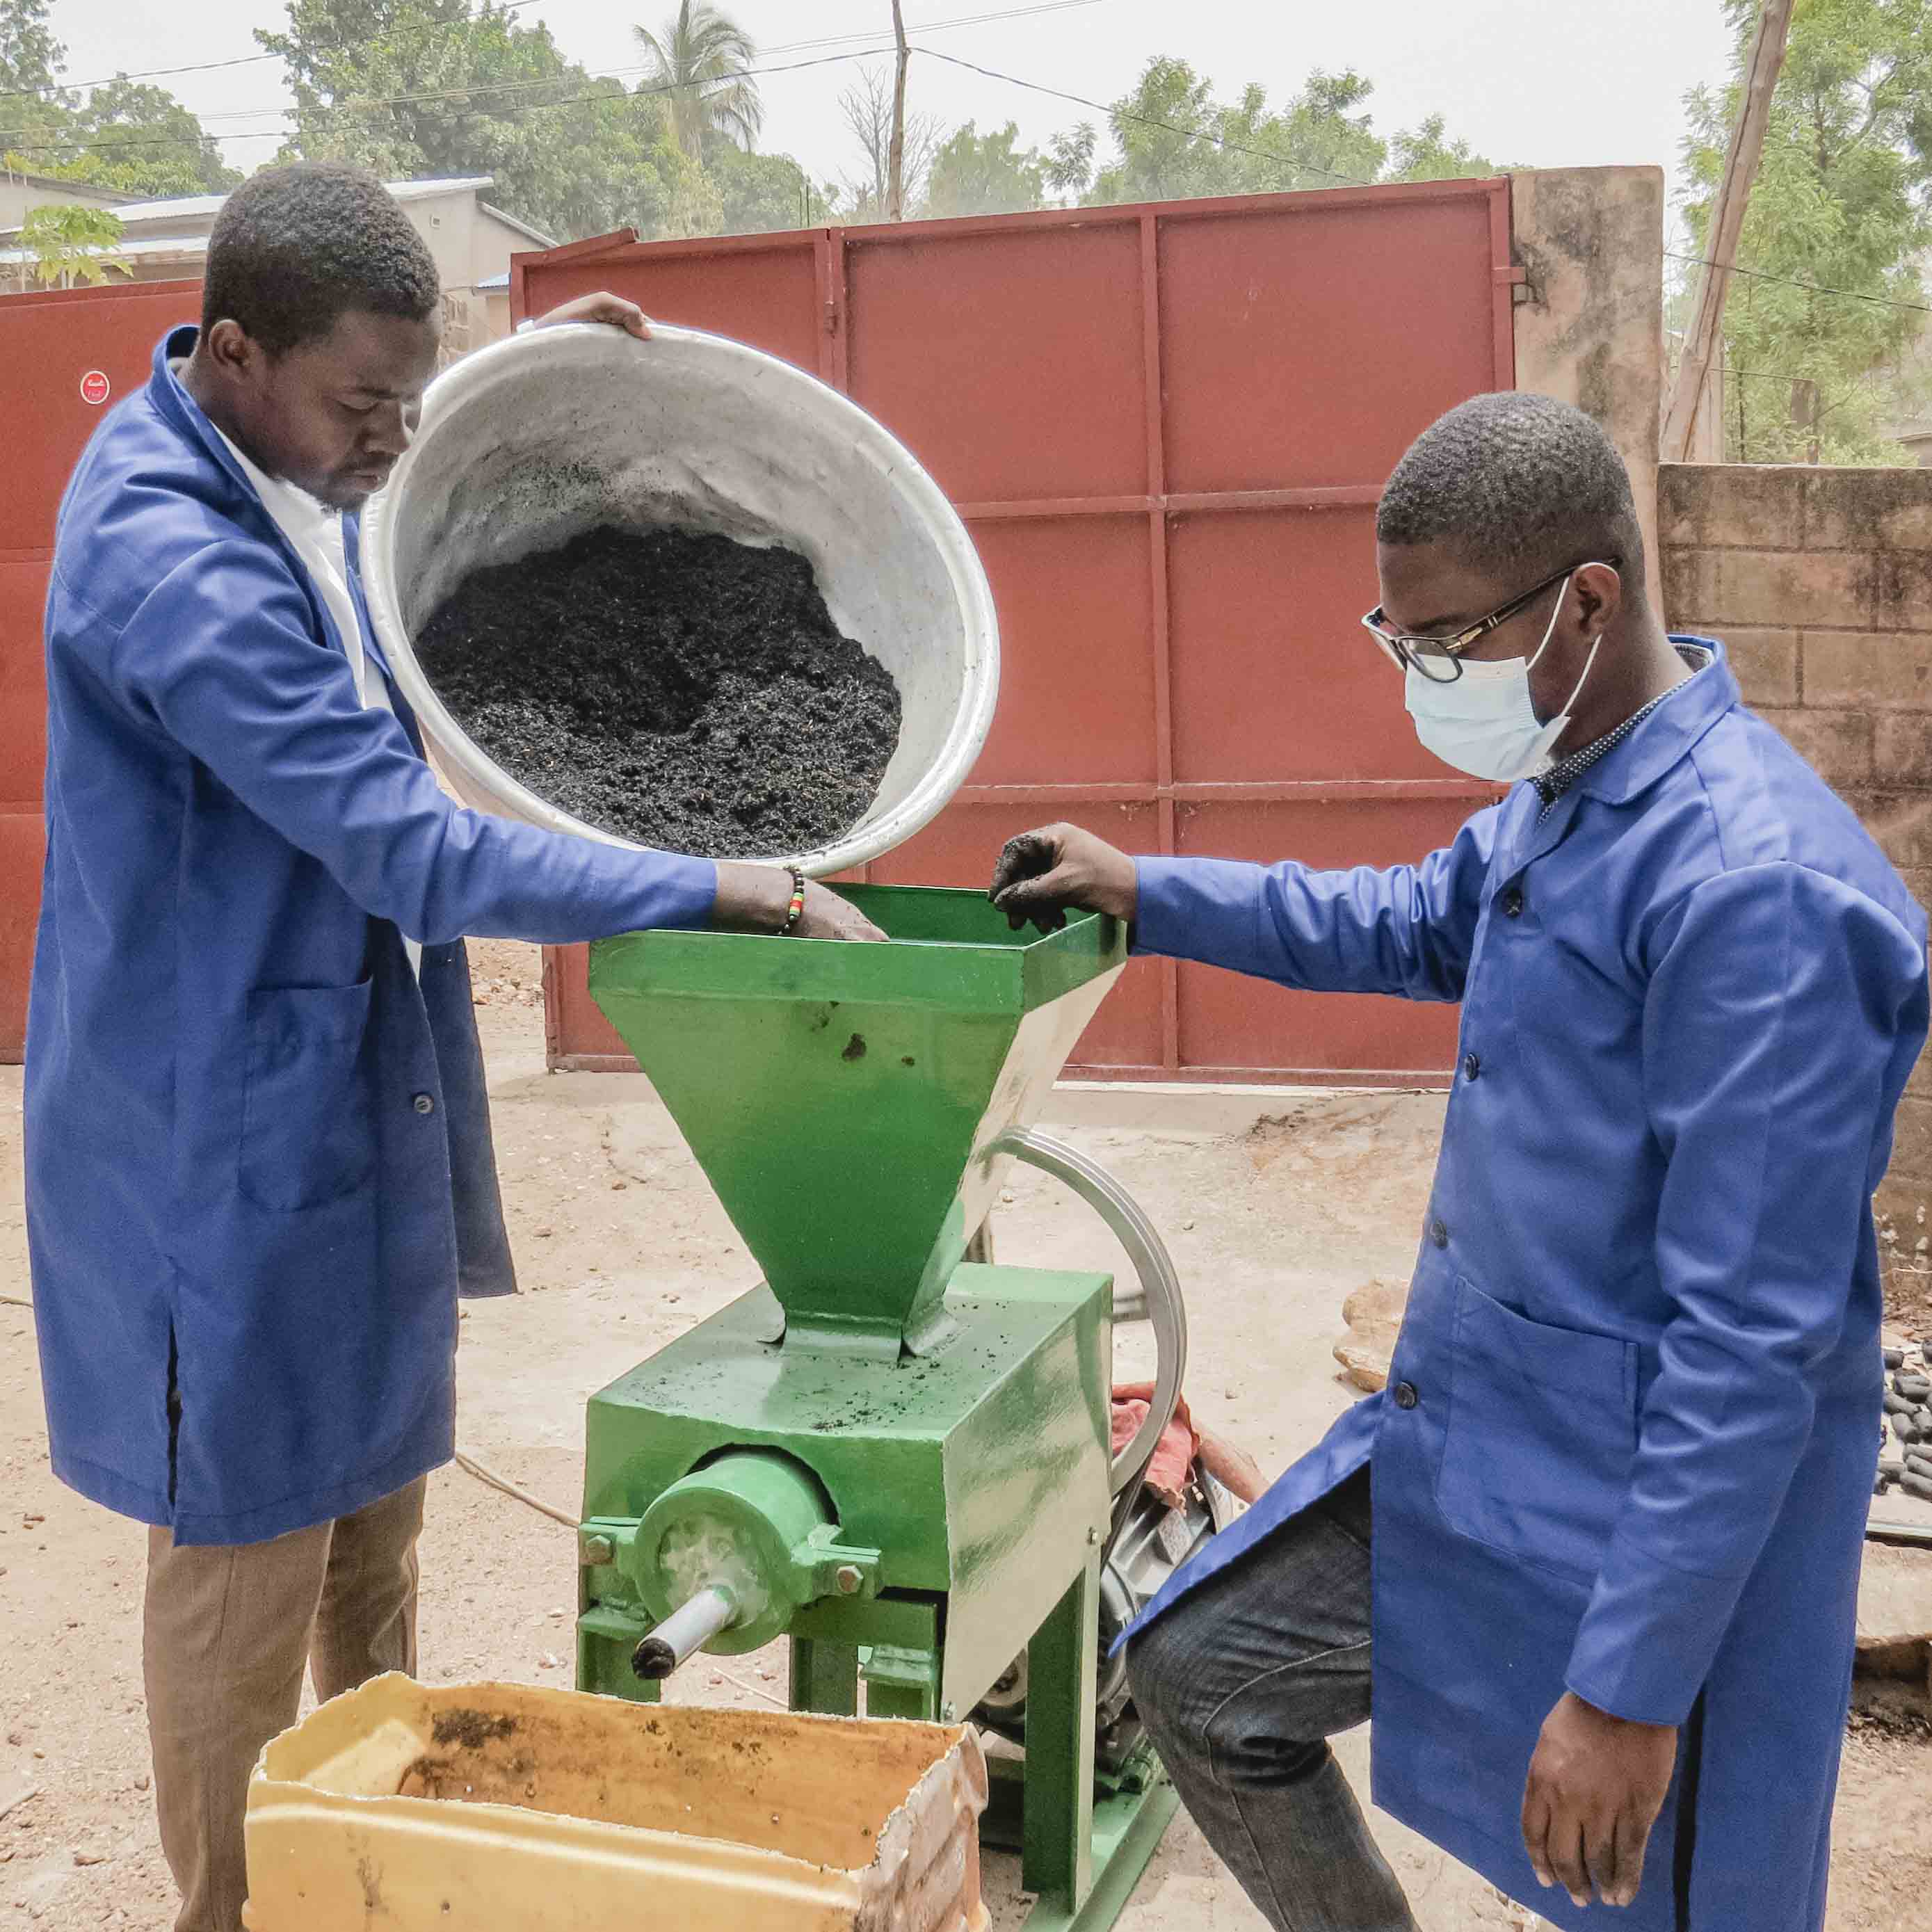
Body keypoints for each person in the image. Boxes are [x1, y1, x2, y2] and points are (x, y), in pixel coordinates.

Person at [27, 159, 882, 1932]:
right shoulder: (167, 557)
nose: (386, 440)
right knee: (248, 1539)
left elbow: (386, 496)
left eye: (407, 397)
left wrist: (511, 375)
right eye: (364, 404)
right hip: (217, 1120)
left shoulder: (278, 450)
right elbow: (408, 845)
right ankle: (237, 1910)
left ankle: (373, 1852)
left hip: (333, 1065)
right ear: (238, 351)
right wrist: (724, 884)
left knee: (371, 1506)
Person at [988, 392, 1929, 1932]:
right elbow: (1400, 919)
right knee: (1200, 1672)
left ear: (1590, 601)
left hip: (1652, 1502)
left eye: (1450, 639)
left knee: (1663, 1893)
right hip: (1485, 1429)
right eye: (1401, 636)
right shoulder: (1571, 797)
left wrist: (1628, 1694)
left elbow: (1752, 1347)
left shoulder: (1754, 892)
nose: (1424, 676)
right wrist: (1150, 889)